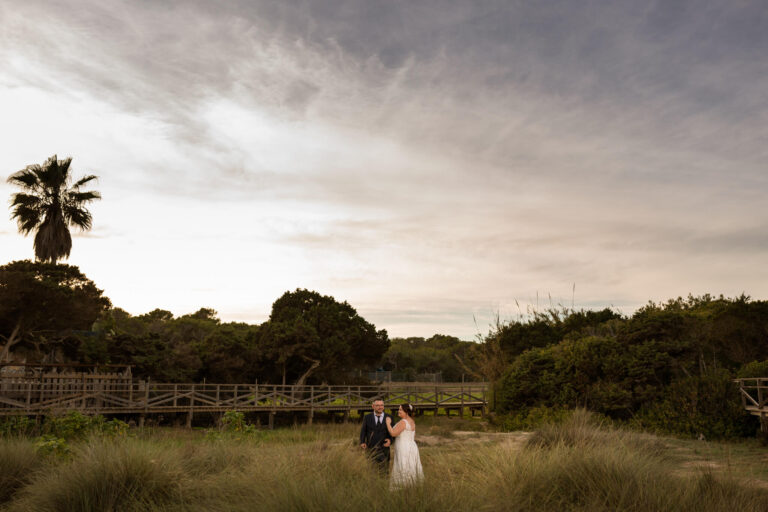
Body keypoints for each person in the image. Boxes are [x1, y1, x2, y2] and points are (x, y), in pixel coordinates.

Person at [385, 403, 424, 489]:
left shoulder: (403, 422)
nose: (398, 411)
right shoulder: (412, 421)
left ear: (406, 412)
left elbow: (393, 433)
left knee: (403, 465)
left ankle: (402, 487)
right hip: (412, 446)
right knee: (411, 466)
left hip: (403, 447)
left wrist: (388, 423)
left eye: (400, 410)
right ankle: (412, 486)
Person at [359, 399, 393, 473]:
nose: (380, 407)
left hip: (384, 449)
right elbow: (363, 431)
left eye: (382, 405)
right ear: (373, 406)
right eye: (377, 405)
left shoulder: (389, 417)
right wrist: (362, 442)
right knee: (371, 471)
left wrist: (390, 440)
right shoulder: (367, 417)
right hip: (371, 449)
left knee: (384, 471)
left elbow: (393, 432)